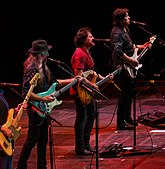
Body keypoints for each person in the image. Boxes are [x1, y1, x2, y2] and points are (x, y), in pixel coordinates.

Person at [16, 39, 77, 169]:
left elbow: (54, 83)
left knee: (43, 140)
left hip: (44, 109)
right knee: (32, 140)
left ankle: (42, 166)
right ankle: (21, 166)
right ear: (40, 54)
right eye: (46, 53)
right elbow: (26, 92)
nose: (48, 55)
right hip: (35, 108)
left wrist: (73, 80)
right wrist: (43, 100)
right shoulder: (31, 70)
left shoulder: (44, 67)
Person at [110, 8, 152, 130]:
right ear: (121, 20)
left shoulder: (125, 29)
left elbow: (129, 46)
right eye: (127, 16)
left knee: (129, 94)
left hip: (129, 65)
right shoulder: (116, 32)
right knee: (124, 95)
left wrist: (142, 46)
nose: (129, 18)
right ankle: (120, 122)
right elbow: (117, 51)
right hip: (122, 66)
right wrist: (130, 60)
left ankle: (127, 117)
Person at [70, 27, 107, 155]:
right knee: (82, 117)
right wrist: (93, 86)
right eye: (90, 36)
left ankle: (85, 144)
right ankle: (80, 147)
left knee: (91, 115)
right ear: (83, 40)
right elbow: (79, 76)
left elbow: (89, 72)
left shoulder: (86, 52)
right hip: (80, 92)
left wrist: (103, 77)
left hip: (87, 91)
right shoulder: (79, 54)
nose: (93, 38)